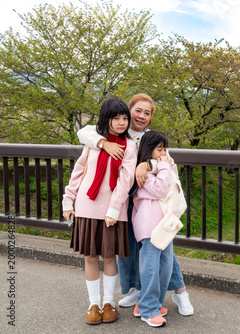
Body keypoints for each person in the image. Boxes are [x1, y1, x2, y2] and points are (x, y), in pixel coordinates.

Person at [77, 93, 194, 316]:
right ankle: (136, 289)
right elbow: (83, 133)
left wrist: (146, 165)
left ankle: (180, 290)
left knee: (159, 244)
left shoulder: (152, 138)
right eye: (137, 111)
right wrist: (104, 144)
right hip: (123, 201)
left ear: (150, 119)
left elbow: (168, 164)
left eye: (147, 113)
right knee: (127, 247)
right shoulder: (115, 131)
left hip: (149, 200)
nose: (141, 116)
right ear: (128, 111)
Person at [63, 97, 137, 325]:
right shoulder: (95, 142)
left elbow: (125, 182)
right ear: (107, 119)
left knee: (109, 256)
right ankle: (93, 304)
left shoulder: (130, 146)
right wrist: (68, 200)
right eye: (116, 118)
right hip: (86, 206)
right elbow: (78, 171)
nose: (122, 122)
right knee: (90, 257)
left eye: (125, 117)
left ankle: (109, 303)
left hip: (112, 212)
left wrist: (114, 210)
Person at [131, 130, 178, 327]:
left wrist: (164, 165)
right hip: (149, 225)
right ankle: (148, 310)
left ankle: (147, 303)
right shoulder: (143, 173)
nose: (163, 153)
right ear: (148, 150)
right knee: (151, 268)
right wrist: (164, 166)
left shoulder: (157, 167)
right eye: (159, 149)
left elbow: (174, 182)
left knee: (165, 267)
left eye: (165, 149)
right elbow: (159, 189)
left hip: (163, 225)